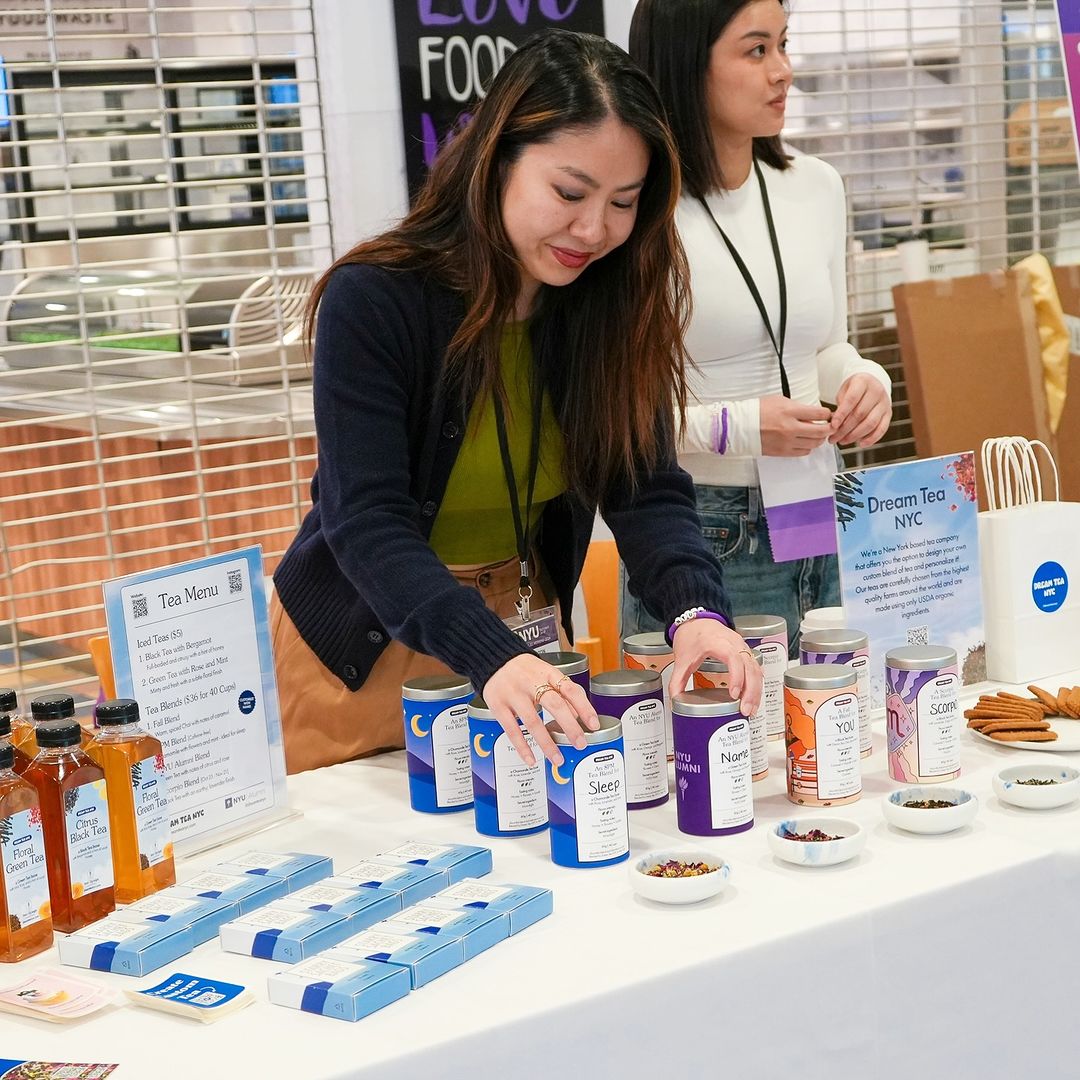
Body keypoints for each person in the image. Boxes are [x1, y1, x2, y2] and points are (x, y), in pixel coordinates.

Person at [271, 29, 762, 775]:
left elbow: (646, 486)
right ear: (497, 158)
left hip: (520, 637)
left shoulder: (606, 303)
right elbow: (365, 521)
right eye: (568, 193)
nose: (593, 230)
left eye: (622, 202)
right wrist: (486, 652)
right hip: (358, 655)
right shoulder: (375, 299)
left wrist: (695, 613)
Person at [626, 0, 893, 655]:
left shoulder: (815, 186)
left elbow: (825, 344)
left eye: (784, 44)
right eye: (756, 50)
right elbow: (618, 416)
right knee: (714, 748)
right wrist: (745, 425)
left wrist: (864, 378)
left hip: (817, 507)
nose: (784, 72)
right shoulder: (635, 210)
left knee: (830, 732)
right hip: (698, 526)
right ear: (689, 64)